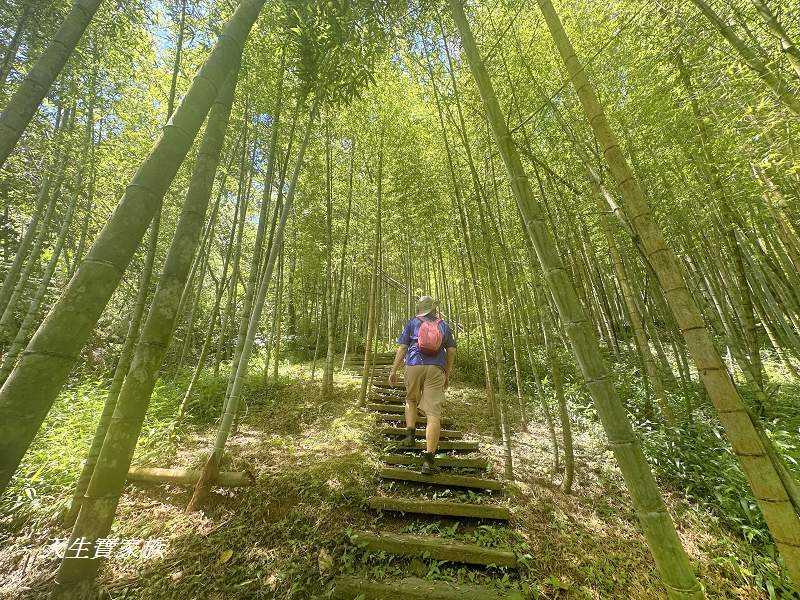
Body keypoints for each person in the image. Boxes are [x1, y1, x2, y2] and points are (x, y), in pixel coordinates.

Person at [388, 295, 456, 474]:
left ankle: (410, 436)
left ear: (420, 309)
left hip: (414, 364)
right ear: (433, 308)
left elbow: (402, 347)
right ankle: (428, 461)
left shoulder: (412, 322)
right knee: (433, 413)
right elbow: (451, 350)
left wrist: (394, 370)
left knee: (411, 400)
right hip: (436, 368)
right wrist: (446, 373)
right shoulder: (443, 325)